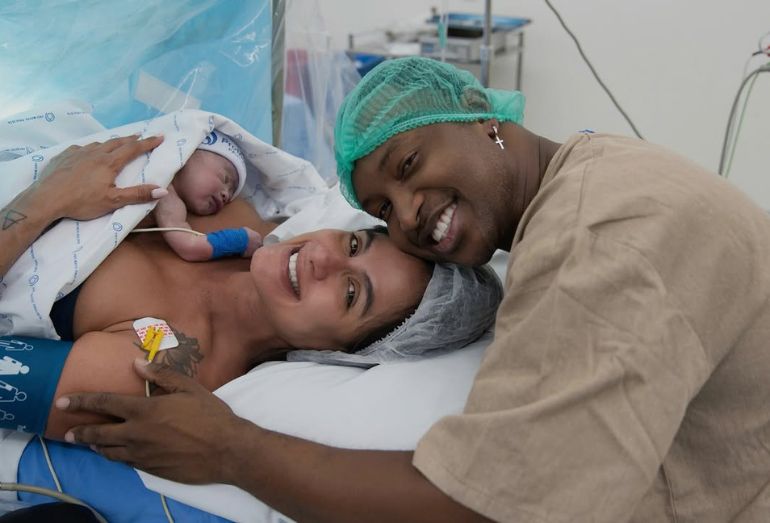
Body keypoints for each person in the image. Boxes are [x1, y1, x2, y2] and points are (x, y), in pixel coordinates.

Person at [57, 55, 770, 523]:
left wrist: (231, 449)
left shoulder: (600, 236)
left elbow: (494, 504)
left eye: (409, 160)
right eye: (372, 219)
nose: (409, 214)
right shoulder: (241, 216)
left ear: (478, 107)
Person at [0, 130, 502, 444]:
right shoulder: (231, 210)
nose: (321, 257)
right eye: (352, 245)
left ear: (337, 352)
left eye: (351, 294)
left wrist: (43, 202)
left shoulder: (164, 356)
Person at [150, 129, 263, 261]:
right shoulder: (163, 190)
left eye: (230, 194)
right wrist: (239, 241)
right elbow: (189, 246)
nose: (226, 194)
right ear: (189, 154)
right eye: (225, 179)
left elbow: (187, 242)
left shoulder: (169, 198)